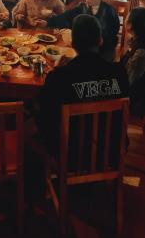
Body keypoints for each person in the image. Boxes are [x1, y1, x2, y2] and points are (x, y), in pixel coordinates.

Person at [37, 14, 129, 162]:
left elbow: (44, 112)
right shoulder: (119, 72)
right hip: (111, 152)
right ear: (100, 41)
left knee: (45, 115)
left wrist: (56, 71)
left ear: (72, 43)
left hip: (71, 155)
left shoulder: (60, 77)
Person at [37, 0, 120, 61]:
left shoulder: (109, 11)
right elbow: (66, 16)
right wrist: (48, 22)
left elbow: (113, 34)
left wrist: (99, 42)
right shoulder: (82, 6)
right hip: (83, 46)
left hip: (102, 48)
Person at [120, 7, 145, 117]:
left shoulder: (140, 52)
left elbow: (129, 82)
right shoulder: (136, 41)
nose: (125, 19)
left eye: (127, 17)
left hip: (134, 102)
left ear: (130, 25)